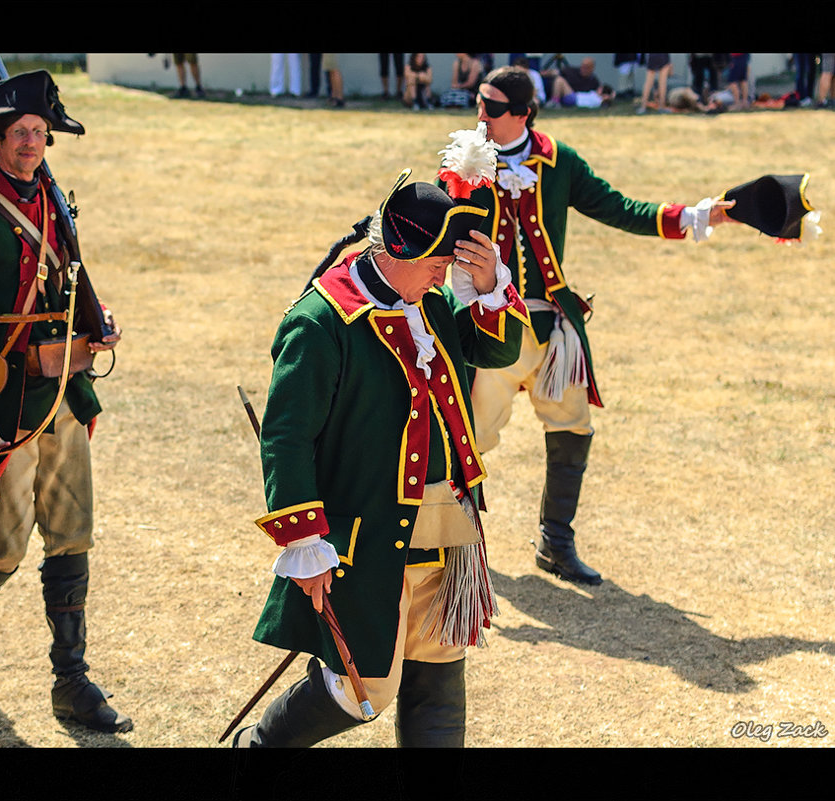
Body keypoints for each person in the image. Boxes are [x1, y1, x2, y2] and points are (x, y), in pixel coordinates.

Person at [234, 170, 531, 748]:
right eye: (436, 263)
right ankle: (260, 747)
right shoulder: (320, 323)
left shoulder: (435, 303)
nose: (446, 275)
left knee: (438, 674)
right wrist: (303, 540)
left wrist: (493, 280)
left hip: (445, 526)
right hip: (368, 539)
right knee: (362, 690)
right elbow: (286, 437)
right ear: (398, 250)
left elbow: (498, 348)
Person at [448, 66, 737, 586]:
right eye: (478, 103)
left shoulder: (558, 161)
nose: (480, 115)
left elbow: (616, 207)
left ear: (523, 113)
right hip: (492, 330)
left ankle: (555, 542)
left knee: (572, 428)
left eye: (491, 107)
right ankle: (449, 546)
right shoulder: (465, 163)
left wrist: (693, 217)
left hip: (552, 331)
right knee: (468, 439)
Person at [0, 69, 130, 734]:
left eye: (39, 133)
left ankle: (70, 680)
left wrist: (96, 324)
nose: (30, 144)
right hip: (3, 400)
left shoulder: (52, 199)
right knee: (2, 549)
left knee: (73, 534)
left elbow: (70, 275)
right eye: (19, 133)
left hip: (60, 389)